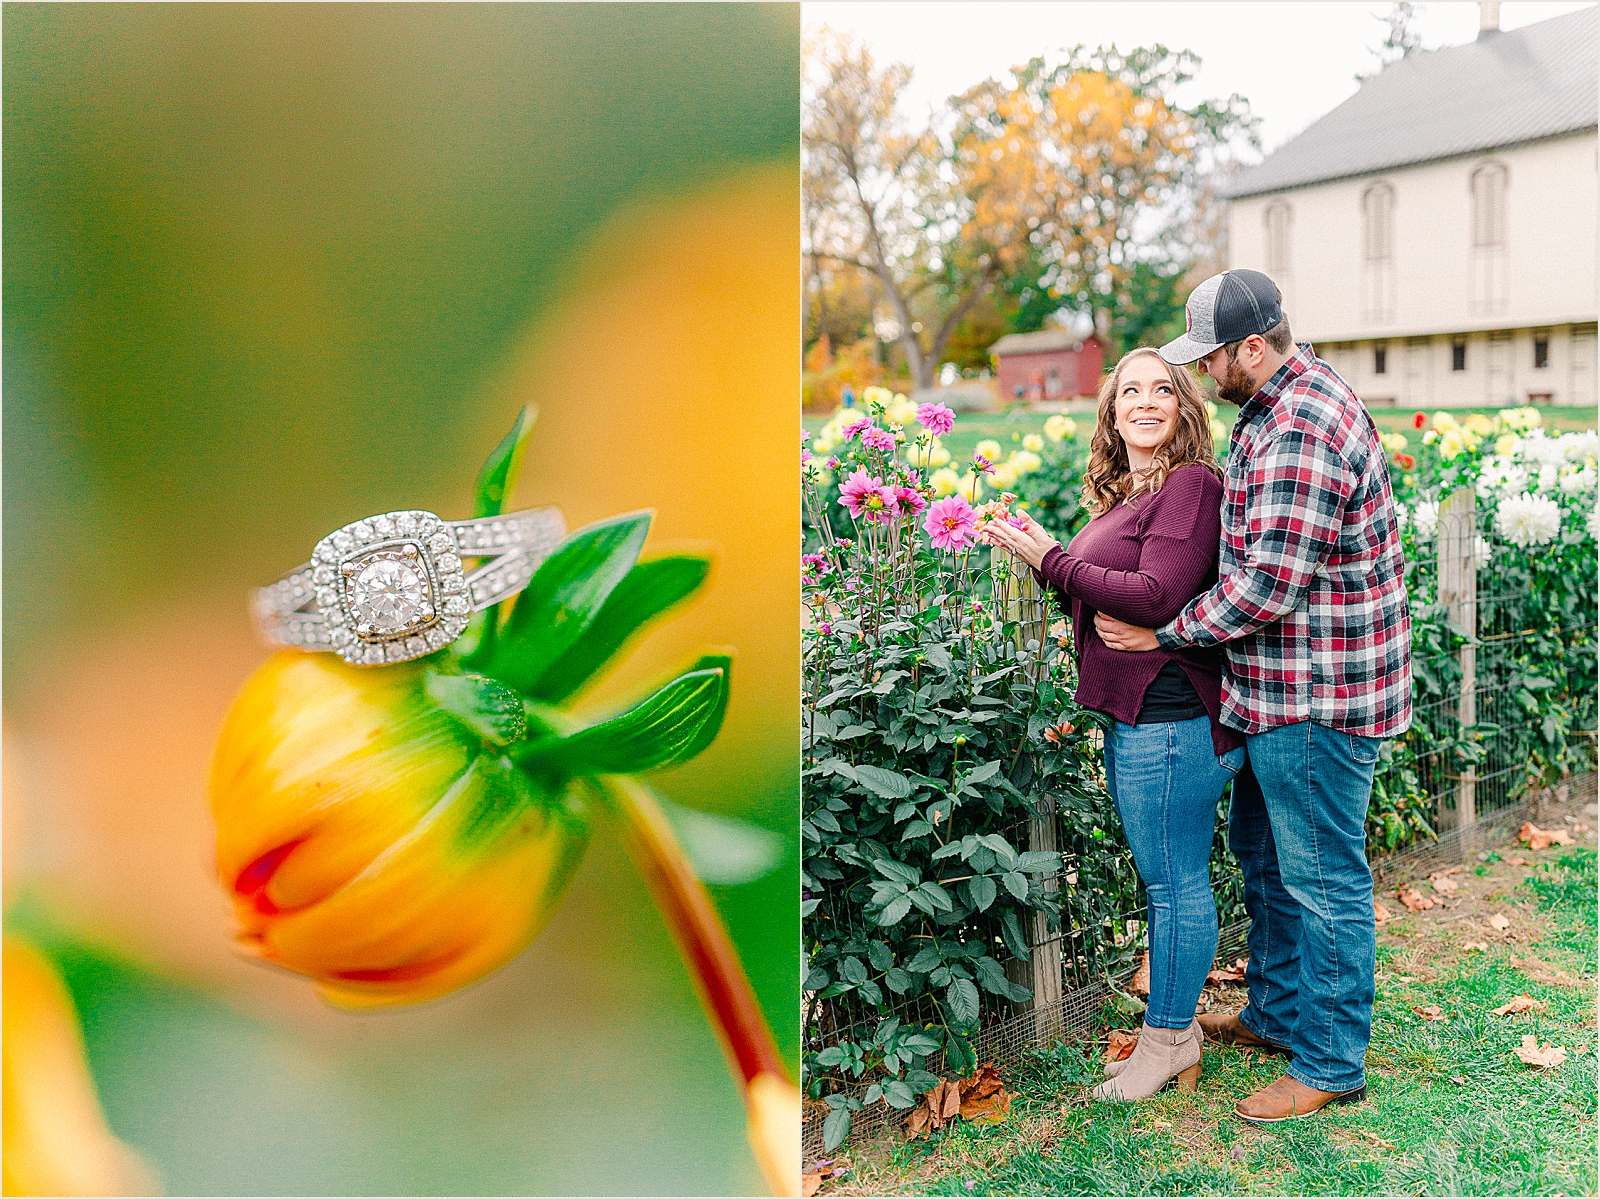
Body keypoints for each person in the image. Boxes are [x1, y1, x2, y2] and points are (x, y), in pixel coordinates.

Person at [1094, 268, 1412, 1124]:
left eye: (1210, 358)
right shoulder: (1272, 408)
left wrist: (1165, 631)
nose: (1201, 373)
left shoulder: (1301, 424)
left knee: (1322, 878)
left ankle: (1330, 1061)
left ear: (1255, 347)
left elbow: (1267, 584)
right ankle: (1276, 1011)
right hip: (1275, 690)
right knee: (1265, 858)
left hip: (1317, 693)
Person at [979, 346, 1244, 1101]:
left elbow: (1155, 595)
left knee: (1174, 884)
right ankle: (1176, 1037)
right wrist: (1042, 557)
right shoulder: (1130, 495)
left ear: (1185, 408)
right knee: (1167, 880)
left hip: (1174, 719)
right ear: (1113, 412)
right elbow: (1100, 596)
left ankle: (1166, 1043)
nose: (1146, 401)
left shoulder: (1190, 485)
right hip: (1143, 718)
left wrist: (1054, 559)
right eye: (1131, 391)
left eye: (1164, 389)